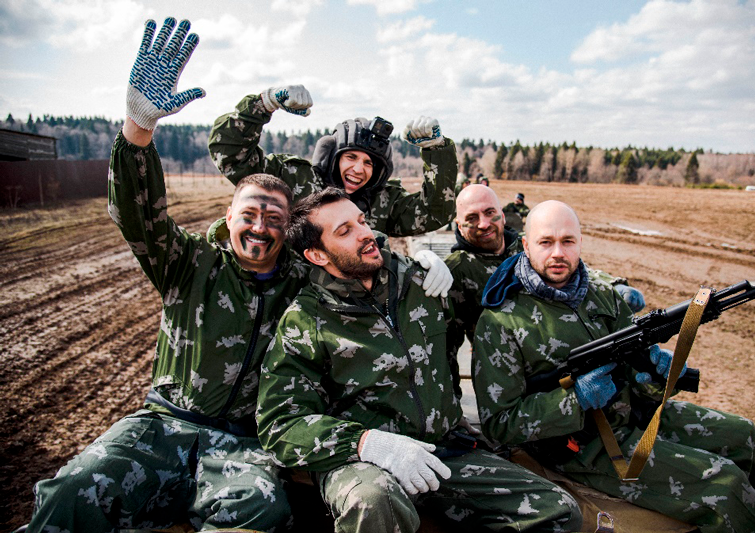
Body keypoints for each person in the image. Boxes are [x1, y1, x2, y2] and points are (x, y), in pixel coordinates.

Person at [27, 18, 454, 532]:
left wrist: (419, 264)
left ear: (292, 232)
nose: (259, 227)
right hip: (164, 423)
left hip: (244, 441)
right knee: (72, 493)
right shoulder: (190, 263)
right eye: (248, 215)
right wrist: (138, 130)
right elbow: (139, 212)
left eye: (275, 219)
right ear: (226, 218)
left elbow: (359, 261)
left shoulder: (305, 277)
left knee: (261, 512)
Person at [256, 188, 583, 533]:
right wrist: (367, 444)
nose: (366, 234)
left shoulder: (419, 281)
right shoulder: (305, 321)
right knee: (373, 501)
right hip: (364, 464)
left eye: (362, 221)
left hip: (443, 452)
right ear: (317, 255)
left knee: (557, 511)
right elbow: (280, 424)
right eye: (344, 231)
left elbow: (505, 292)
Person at [471, 200, 755, 533]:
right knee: (723, 485)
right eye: (546, 242)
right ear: (526, 246)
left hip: (633, 415)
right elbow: (499, 424)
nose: (558, 252)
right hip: (581, 446)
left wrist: (654, 374)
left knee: (743, 434)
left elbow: (639, 382)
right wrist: (575, 400)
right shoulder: (501, 321)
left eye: (568, 241)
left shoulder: (604, 297)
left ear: (581, 243)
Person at [209, 88, 458, 237]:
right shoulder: (292, 178)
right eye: (351, 157)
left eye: (369, 163)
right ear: (332, 157)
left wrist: (437, 152)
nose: (359, 169)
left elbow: (435, 212)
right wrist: (264, 104)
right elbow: (232, 156)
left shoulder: (382, 201)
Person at [446, 185, 645, 359]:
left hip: (561, 343)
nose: (484, 223)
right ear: (459, 226)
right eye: (472, 218)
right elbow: (447, 344)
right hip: (508, 360)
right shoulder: (459, 271)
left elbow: (573, 267)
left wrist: (613, 284)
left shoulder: (527, 244)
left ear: (503, 215)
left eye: (490, 213)